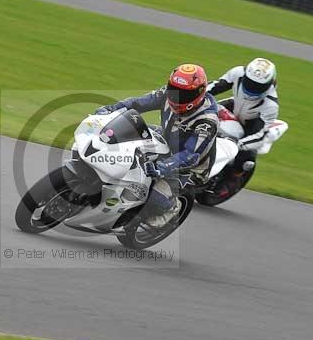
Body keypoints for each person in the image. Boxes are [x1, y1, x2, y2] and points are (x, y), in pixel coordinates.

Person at [95, 64, 219, 227]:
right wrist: (111, 109)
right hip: (167, 140)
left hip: (191, 167)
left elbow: (190, 154)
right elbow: (138, 104)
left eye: (185, 93)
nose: (176, 96)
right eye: (174, 89)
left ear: (199, 93)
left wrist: (164, 167)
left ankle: (172, 208)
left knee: (154, 197)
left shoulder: (207, 121)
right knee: (126, 135)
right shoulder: (167, 95)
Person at [206, 58, 279, 174]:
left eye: (258, 86)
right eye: (250, 83)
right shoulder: (238, 73)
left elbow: (261, 135)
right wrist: (193, 94)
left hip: (251, 126)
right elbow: (215, 86)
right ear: (245, 76)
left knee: (245, 163)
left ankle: (228, 183)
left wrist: (239, 144)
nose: (252, 88)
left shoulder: (271, 105)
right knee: (200, 116)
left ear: (269, 84)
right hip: (233, 106)